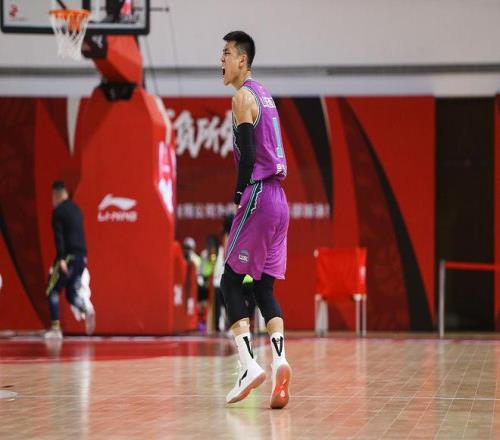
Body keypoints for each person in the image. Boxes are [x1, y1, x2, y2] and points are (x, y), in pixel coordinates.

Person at [220, 31, 291, 409]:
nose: (222, 61)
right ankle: (280, 361)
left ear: (242, 60)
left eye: (227, 53)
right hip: (281, 201)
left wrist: (237, 198)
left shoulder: (241, 97)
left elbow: (248, 156)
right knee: (264, 288)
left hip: (260, 195)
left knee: (229, 282)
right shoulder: (265, 94)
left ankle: (248, 365)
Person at [45, 180, 95, 339]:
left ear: (57, 194)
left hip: (68, 257)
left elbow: (59, 237)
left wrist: (61, 258)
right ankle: (86, 309)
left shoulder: (58, 212)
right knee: (70, 293)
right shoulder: (77, 210)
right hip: (82, 258)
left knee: (52, 290)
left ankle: (55, 329)